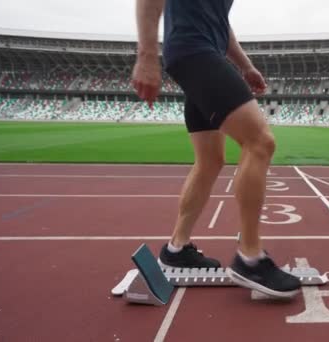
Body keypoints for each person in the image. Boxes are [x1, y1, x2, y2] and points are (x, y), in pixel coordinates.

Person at [131, 0, 301, 298]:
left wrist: (245, 65)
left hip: (198, 52)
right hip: (194, 51)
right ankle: (250, 258)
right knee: (260, 142)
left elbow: (221, 21)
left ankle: (176, 250)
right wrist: (146, 54)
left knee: (210, 161)